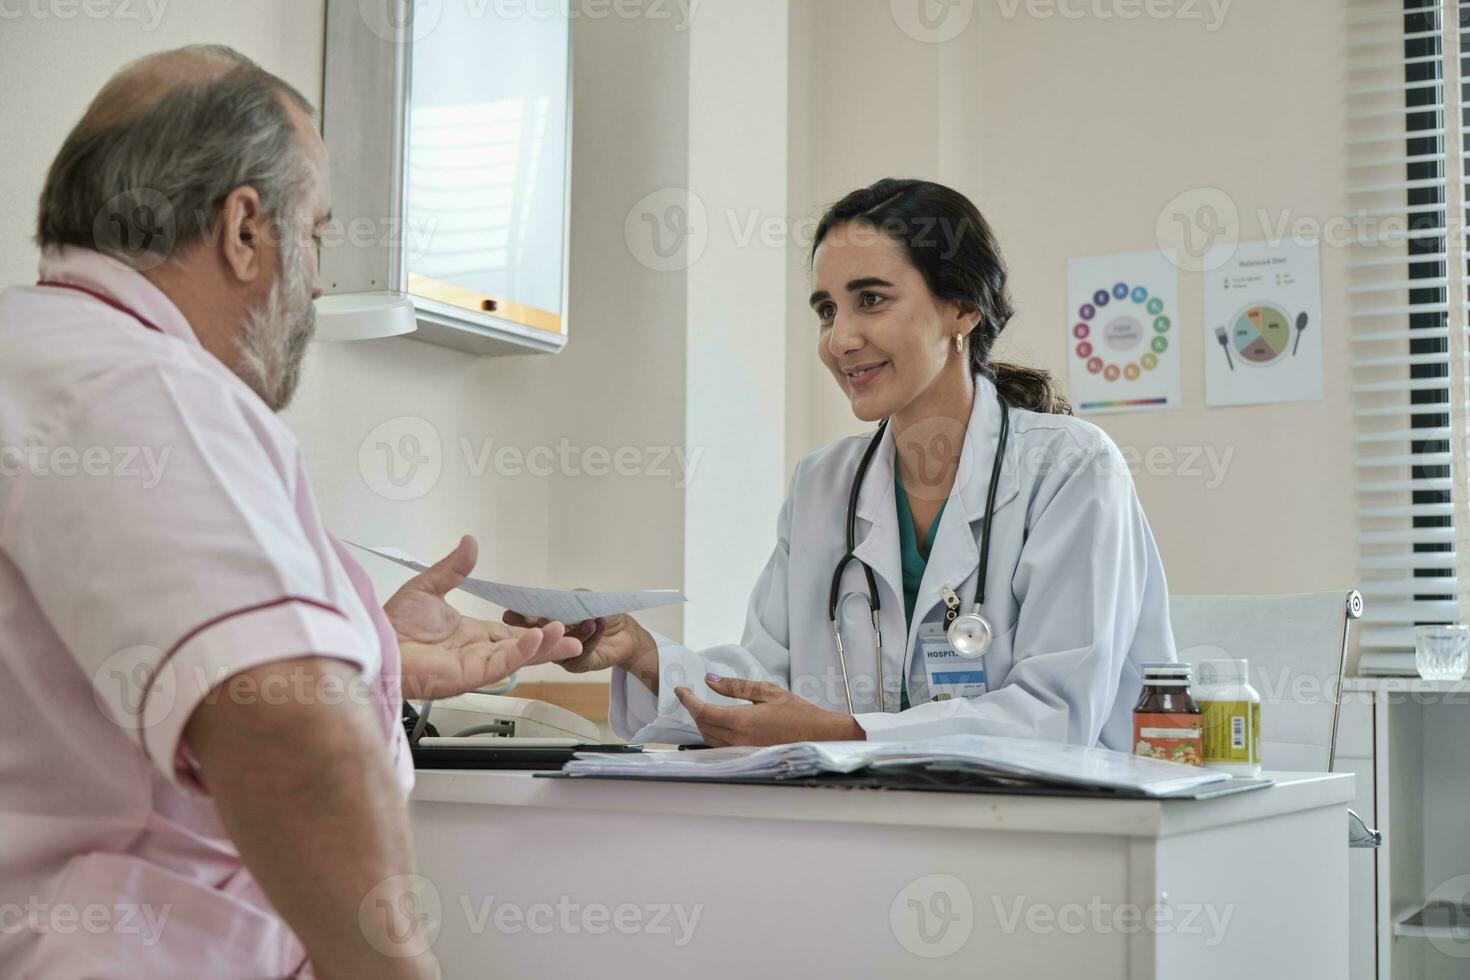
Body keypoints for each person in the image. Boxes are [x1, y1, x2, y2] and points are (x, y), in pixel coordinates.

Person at [0, 46, 584, 979]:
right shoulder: (142, 391)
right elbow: (290, 736)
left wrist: (373, 650)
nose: (314, 281)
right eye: (313, 234)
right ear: (243, 229)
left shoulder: (34, 357)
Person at [512, 179, 1175, 750]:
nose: (839, 339)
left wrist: (846, 736)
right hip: (870, 825)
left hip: (1062, 838)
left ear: (962, 309)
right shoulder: (823, 486)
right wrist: (642, 653)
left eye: (872, 300)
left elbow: (1055, 716)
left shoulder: (1072, 470)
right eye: (827, 309)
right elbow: (765, 682)